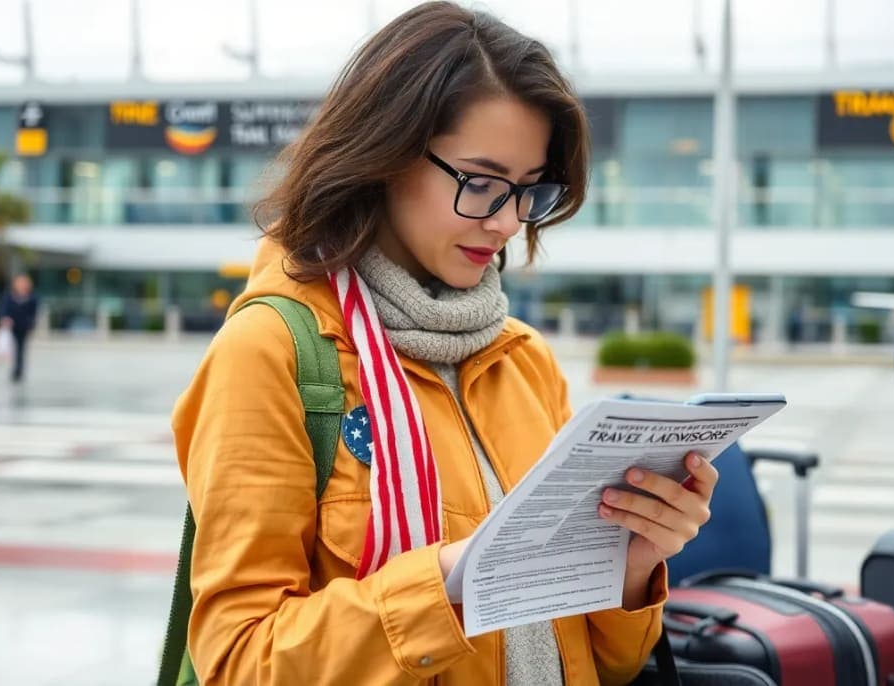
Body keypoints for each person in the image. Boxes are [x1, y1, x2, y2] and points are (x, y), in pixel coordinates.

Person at [171, 4, 716, 684]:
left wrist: (630, 570)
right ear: (385, 156)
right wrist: (449, 582)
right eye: (481, 184)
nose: (508, 221)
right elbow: (238, 660)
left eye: (528, 192)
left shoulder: (522, 359)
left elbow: (603, 664)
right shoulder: (271, 351)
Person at [0, 273, 38, 383]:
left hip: (23, 327)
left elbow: (33, 313)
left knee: (21, 349)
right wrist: (4, 318)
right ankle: (15, 369)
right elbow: (3, 308)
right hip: (11, 327)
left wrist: (31, 324)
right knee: (13, 349)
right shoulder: (9, 296)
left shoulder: (31, 297)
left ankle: (19, 370)